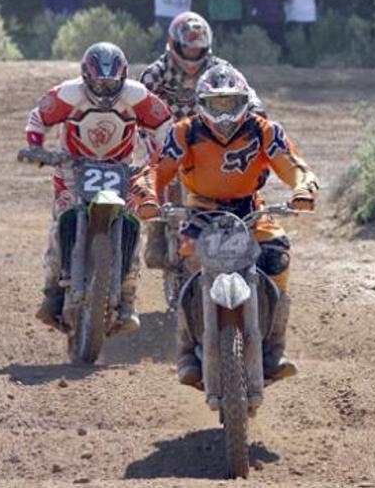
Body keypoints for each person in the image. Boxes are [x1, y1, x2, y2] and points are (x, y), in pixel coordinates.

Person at [135, 64, 319, 386]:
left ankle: (274, 347)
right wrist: (148, 197)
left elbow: (294, 166)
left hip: (250, 208)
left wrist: (302, 188)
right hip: (201, 211)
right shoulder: (185, 132)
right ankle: (187, 352)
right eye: (215, 104)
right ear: (201, 104)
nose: (224, 114)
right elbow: (155, 169)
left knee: (277, 254)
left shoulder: (264, 130)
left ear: (245, 101)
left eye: (230, 103)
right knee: (189, 268)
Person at [25, 42, 173, 332]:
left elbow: (165, 124)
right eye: (99, 83)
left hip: (121, 169)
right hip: (72, 168)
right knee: (61, 219)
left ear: (122, 77)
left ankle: (128, 296)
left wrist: (160, 158)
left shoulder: (138, 96)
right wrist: (34, 147)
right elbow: (39, 117)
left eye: (111, 83)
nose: (105, 90)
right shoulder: (68, 94)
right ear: (85, 77)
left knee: (133, 222)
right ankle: (52, 290)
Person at [140, 11, 264, 270]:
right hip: (165, 134)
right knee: (159, 176)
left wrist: (257, 108)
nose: (192, 55)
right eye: (187, 47)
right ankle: (156, 229)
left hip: (207, 134)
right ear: (175, 44)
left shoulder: (220, 68)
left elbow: (243, 90)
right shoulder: (156, 73)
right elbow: (140, 107)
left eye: (198, 48)